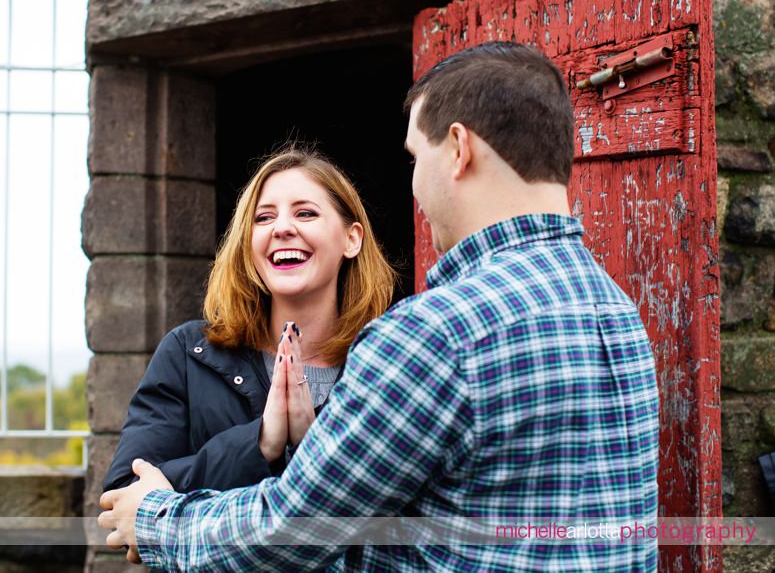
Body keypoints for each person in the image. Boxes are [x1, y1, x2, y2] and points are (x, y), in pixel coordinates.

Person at [97, 41, 660, 571]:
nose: (413, 181)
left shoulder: (436, 333)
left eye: (416, 157)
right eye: (264, 217)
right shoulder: (616, 311)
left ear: (459, 150)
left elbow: (289, 531)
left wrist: (154, 520)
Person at [103, 146, 396, 494]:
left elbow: (402, 511)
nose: (282, 228)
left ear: (351, 239)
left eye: (305, 214)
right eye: (264, 218)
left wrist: (310, 444)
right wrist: (259, 444)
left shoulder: (388, 364)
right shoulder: (187, 354)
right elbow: (124, 496)